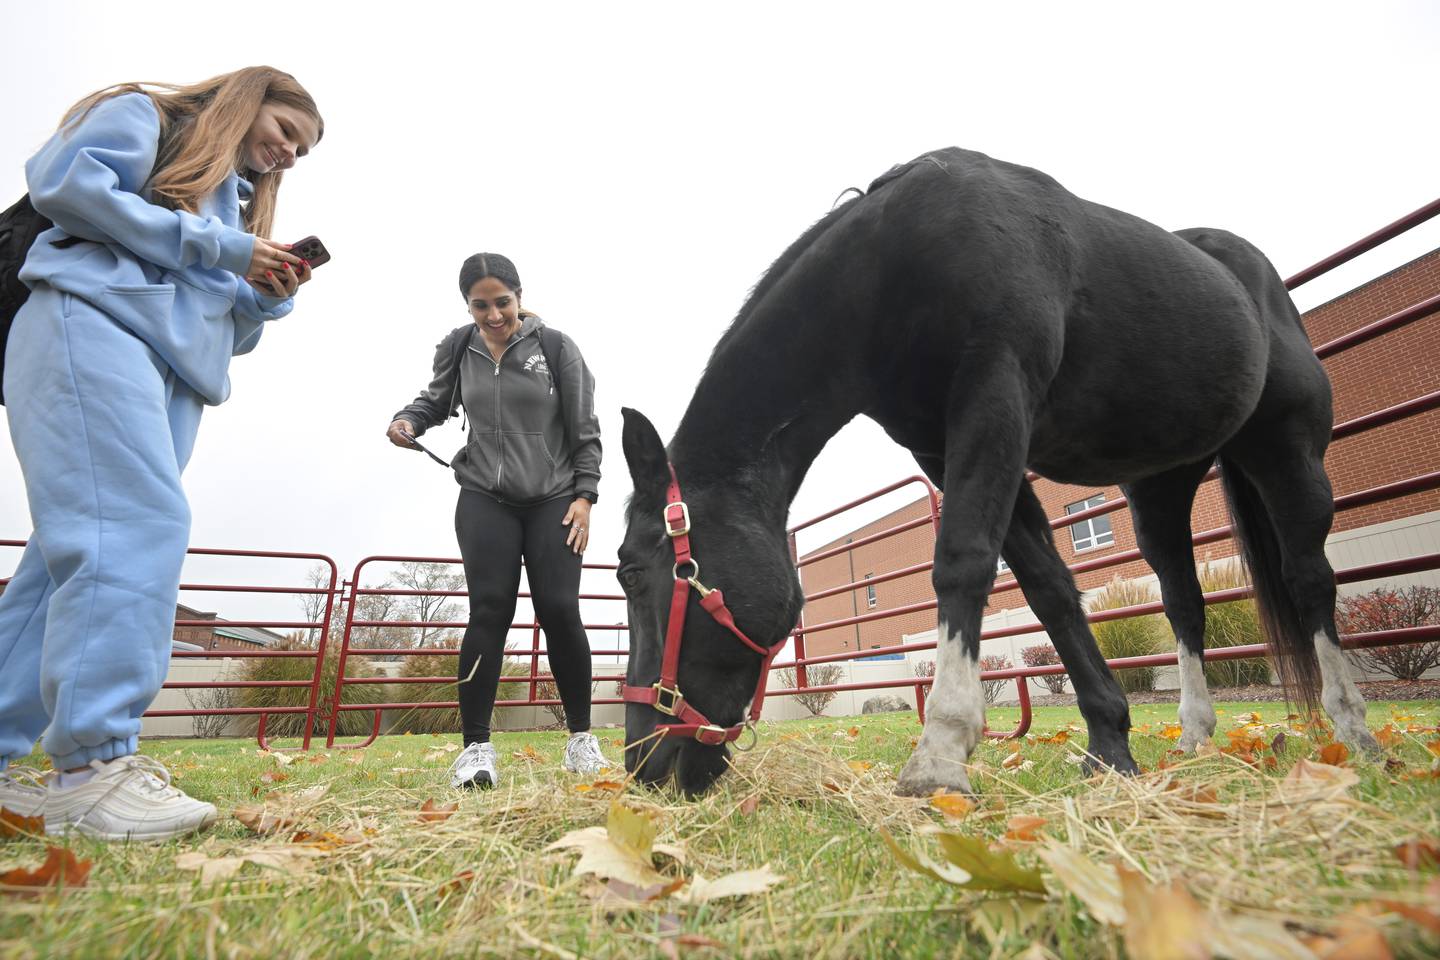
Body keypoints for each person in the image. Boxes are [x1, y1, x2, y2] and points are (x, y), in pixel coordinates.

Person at [0, 67, 323, 840]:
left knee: (67, 560)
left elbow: (224, 325)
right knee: (136, 527)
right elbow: (64, 186)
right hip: (90, 321)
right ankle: (91, 769)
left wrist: (265, 292)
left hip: (173, 376)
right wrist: (224, 247)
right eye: (285, 130)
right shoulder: (148, 116)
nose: (287, 154)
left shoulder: (236, 209)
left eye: (302, 152)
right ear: (249, 97)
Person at [387, 253, 607, 789]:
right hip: (484, 495)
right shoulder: (460, 346)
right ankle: (476, 750)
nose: (492, 315)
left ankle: (580, 739)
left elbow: (585, 426)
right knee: (489, 611)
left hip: (555, 498)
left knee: (559, 609)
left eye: (501, 302)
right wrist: (409, 419)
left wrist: (586, 496)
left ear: (518, 296)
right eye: (479, 305)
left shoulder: (556, 348)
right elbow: (437, 399)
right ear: (468, 305)